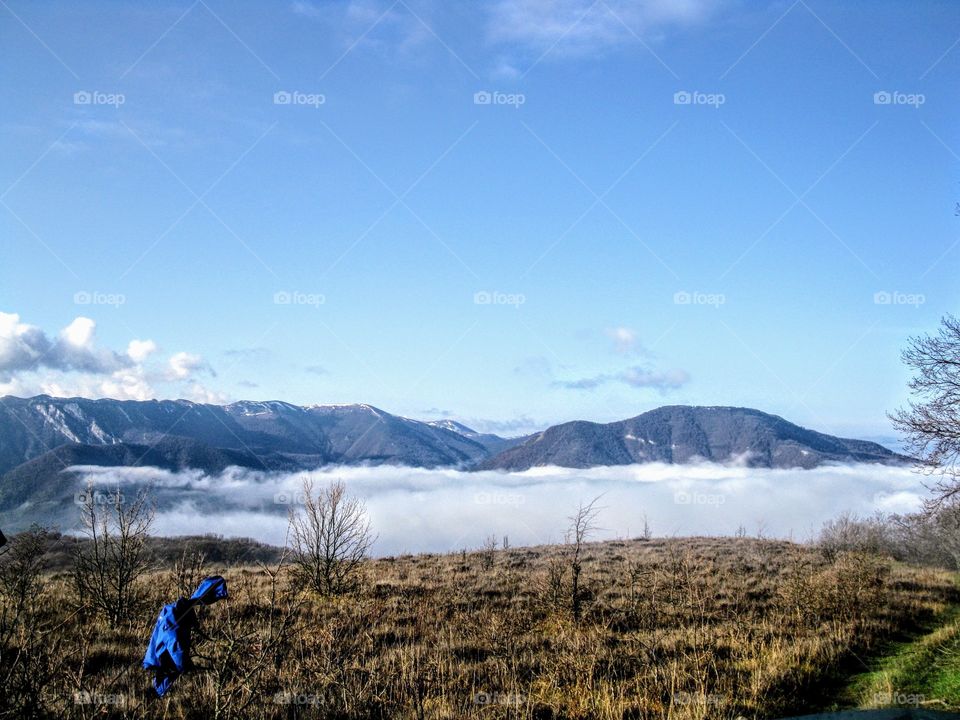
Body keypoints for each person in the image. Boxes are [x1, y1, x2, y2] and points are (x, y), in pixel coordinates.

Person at [143, 575, 228, 696]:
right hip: (164, 656)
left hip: (158, 654)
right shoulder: (174, 617)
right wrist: (183, 665)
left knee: (165, 676)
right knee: (166, 677)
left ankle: (158, 694)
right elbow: (174, 642)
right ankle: (157, 695)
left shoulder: (174, 610)